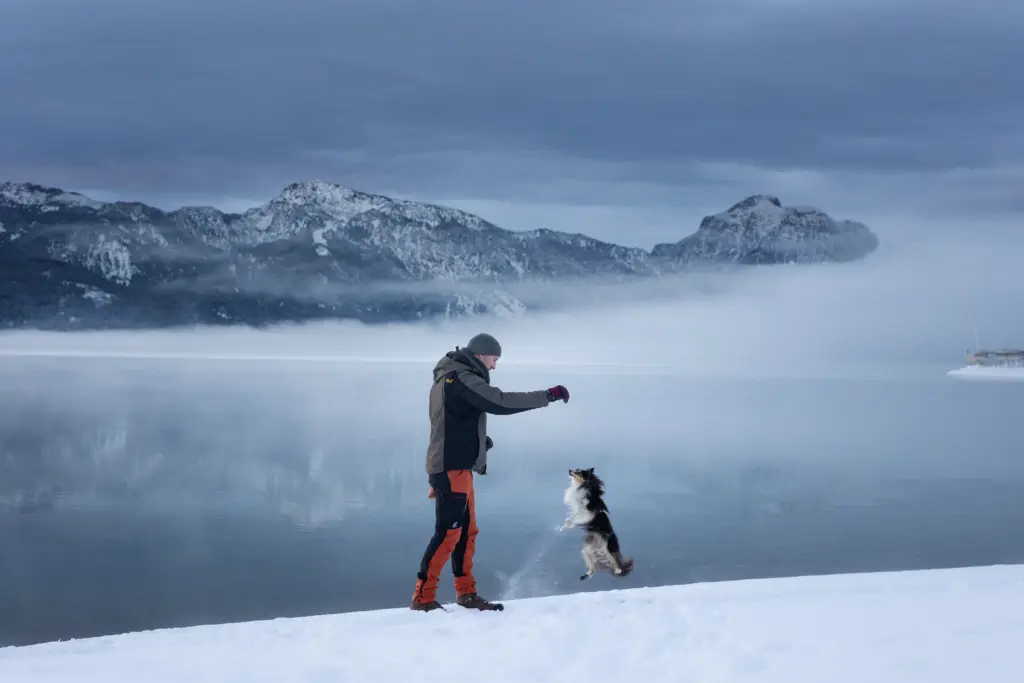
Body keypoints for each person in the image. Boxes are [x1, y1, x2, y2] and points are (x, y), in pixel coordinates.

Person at [410, 332, 570, 612]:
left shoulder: (450, 377)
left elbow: (449, 420)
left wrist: (477, 443)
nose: (494, 366)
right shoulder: (459, 377)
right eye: (494, 359)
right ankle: (422, 599)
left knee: (467, 533)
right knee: (448, 534)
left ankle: (466, 594)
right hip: (450, 469)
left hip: (457, 466)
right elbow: (499, 402)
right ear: (481, 355)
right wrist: (548, 395)